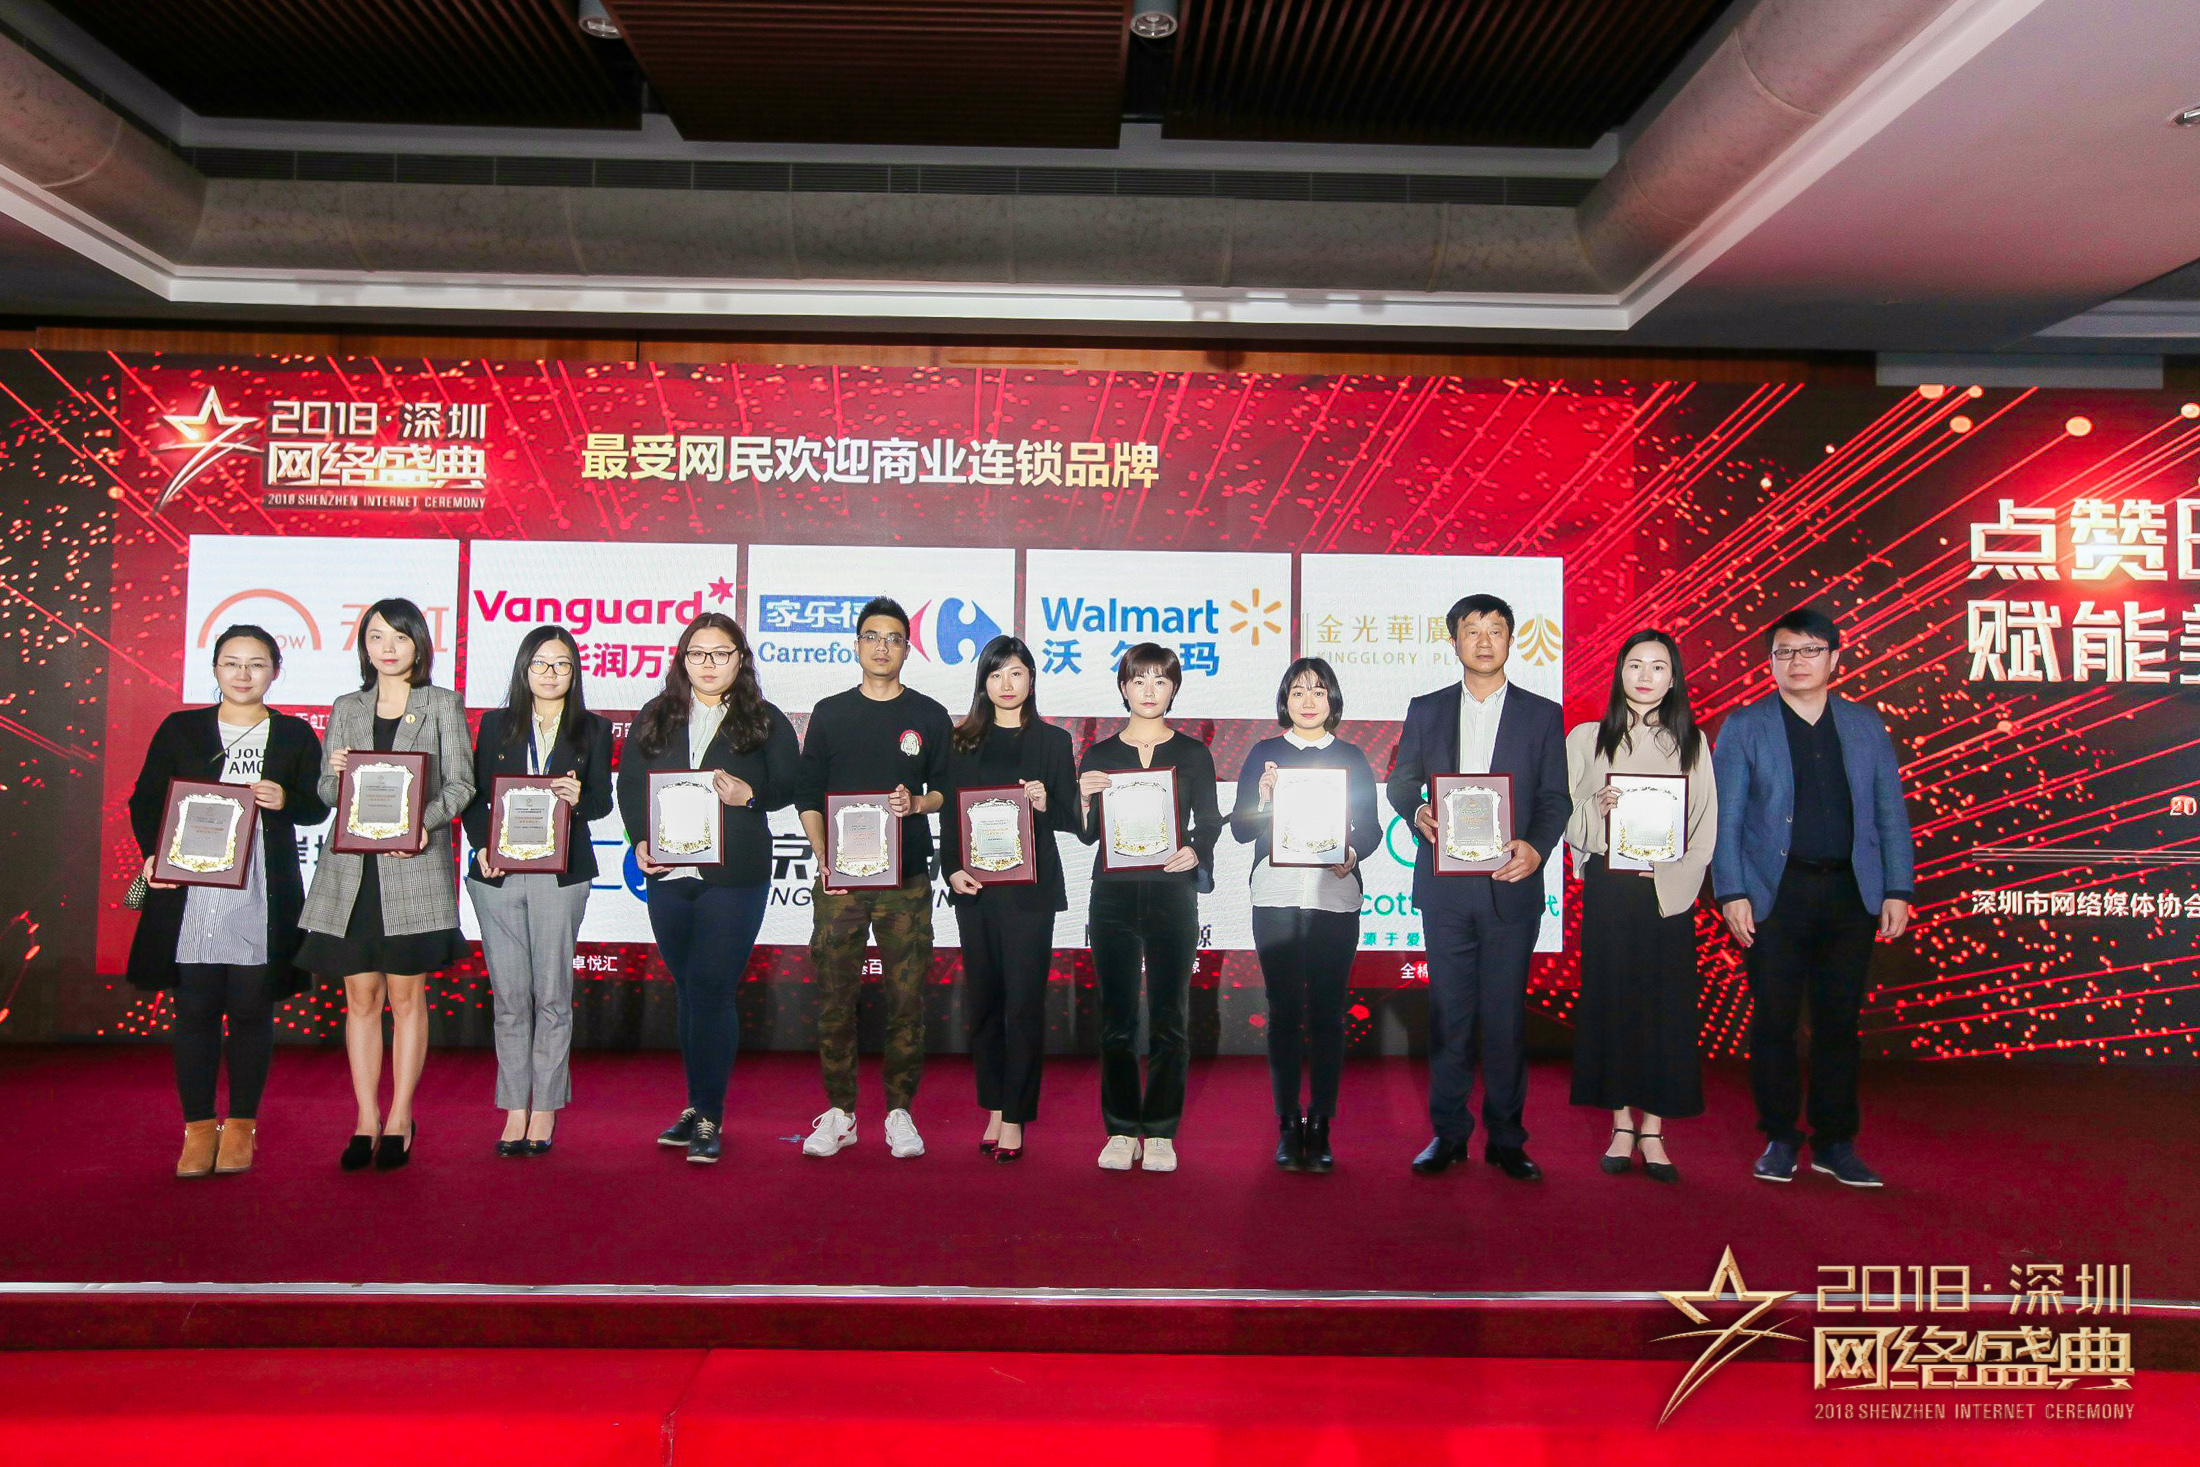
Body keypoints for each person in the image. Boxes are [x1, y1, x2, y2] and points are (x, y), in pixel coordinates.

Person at [1712, 605, 1914, 1189]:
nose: (1796, 662)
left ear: (1834, 658)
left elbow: (1890, 811)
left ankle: (1834, 1142)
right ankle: (1779, 1137)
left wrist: (1897, 887)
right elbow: (1725, 819)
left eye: (1809, 650)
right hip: (1774, 893)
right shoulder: (1745, 726)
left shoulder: (1865, 725)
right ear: (1771, 662)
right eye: (1784, 652)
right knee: (1774, 1021)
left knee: (1838, 1023)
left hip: (1851, 893)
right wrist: (1732, 891)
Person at [126, 625, 327, 1178]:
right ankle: (197, 1128)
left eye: (256, 664)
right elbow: (146, 799)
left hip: (262, 887)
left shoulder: (293, 734)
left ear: (275, 671)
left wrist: (286, 798)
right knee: (194, 1007)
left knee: (250, 1007)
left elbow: (316, 807)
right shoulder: (181, 728)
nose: (243, 674)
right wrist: (154, 855)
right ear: (214, 668)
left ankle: (240, 1126)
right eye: (231, 663)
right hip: (194, 888)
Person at [1386, 593, 1569, 1182]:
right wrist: (1417, 810)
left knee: (1506, 1019)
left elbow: (1555, 799)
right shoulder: (1427, 709)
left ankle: (1507, 1138)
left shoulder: (1542, 715)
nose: (1484, 641)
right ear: (1454, 641)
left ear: (1512, 639)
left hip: (1510, 886)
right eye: (1472, 630)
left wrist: (1536, 848)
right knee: (1449, 1017)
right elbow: (1401, 782)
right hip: (1446, 890)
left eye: (1496, 630)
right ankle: (1449, 1134)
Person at [298, 597, 474, 1172]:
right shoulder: (346, 707)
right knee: (361, 998)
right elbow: (329, 793)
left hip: (413, 869)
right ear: (364, 646)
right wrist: (335, 773)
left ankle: (400, 1116)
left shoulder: (441, 704)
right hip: (353, 873)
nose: (388, 648)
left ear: (419, 643)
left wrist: (421, 825)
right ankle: (365, 1118)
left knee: (405, 997)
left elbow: (461, 786)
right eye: (376, 637)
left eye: (399, 637)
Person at [618, 612, 800, 1164]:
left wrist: (750, 795)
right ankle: (694, 1106)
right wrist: (640, 839)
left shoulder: (763, 718)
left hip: (734, 875)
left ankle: (709, 1115)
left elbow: (790, 784)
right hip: (669, 875)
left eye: (721, 654)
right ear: (683, 659)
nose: (709, 664)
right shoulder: (656, 715)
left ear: (740, 659)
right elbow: (630, 785)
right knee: (687, 989)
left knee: (712, 989)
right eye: (698, 653)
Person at [795, 596, 954, 1161]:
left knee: (906, 998)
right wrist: (824, 855)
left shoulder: (929, 715)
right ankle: (840, 1111)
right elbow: (808, 793)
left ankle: (899, 1111)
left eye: (893, 638)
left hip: (905, 881)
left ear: (907, 649)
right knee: (835, 997)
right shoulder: (830, 712)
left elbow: (946, 789)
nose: (882, 647)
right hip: (841, 882)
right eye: (872, 636)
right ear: (857, 645)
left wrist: (918, 803)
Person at [1564, 631, 1717, 1183]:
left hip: (1666, 893)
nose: (1646, 675)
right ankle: (1621, 1125)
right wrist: (1595, 809)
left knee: (1663, 1009)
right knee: (1613, 1003)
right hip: (1611, 889)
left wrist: (1675, 880)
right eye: (1635, 664)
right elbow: (1563, 814)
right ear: (1620, 673)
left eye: (1658, 666)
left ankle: (1654, 1129)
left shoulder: (1692, 742)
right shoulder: (1587, 738)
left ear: (1673, 679)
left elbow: (1704, 824)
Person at [461, 626, 613, 1158]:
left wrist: (579, 796)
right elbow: (473, 796)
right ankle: (513, 1107)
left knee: (551, 995)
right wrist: (482, 844)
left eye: (562, 664)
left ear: (575, 671)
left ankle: (545, 1106)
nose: (551, 673)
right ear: (524, 669)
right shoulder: (496, 724)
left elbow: (602, 803)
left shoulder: (593, 728)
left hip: (561, 874)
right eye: (541, 663)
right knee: (509, 999)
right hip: (498, 874)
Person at [1229, 657, 1381, 1172]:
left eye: (1318, 691)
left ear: (1332, 700)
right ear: (1285, 701)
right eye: (1298, 691)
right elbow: (1242, 831)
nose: (1308, 701)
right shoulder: (1264, 754)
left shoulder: (1352, 757)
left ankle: (1321, 1123)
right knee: (1284, 1012)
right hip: (1275, 896)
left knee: (1328, 1014)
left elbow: (1370, 830)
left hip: (1334, 898)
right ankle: (1288, 1124)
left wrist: (1352, 853)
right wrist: (1263, 798)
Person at [1076, 642, 1222, 1174]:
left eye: (1160, 680)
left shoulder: (1193, 753)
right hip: (1113, 895)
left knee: (1169, 1018)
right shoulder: (1098, 755)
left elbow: (1210, 820)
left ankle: (1159, 1131)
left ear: (1174, 688)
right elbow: (1088, 834)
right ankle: (1119, 1128)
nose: (1149, 690)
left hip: (1171, 894)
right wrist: (1083, 798)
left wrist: (1196, 849)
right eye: (1139, 680)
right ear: (1123, 687)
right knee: (1116, 1019)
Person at [939, 636, 1078, 1163]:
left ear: (1031, 680)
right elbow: (949, 814)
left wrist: (1045, 803)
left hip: (1028, 894)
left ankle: (1016, 1115)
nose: (1006, 684)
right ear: (983, 682)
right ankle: (994, 1105)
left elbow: (1072, 818)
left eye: (1016, 673)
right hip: (975, 891)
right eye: (996, 674)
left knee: (1021, 1004)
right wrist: (951, 869)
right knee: (985, 1004)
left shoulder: (1053, 741)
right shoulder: (960, 741)